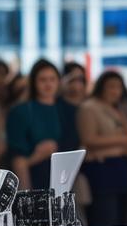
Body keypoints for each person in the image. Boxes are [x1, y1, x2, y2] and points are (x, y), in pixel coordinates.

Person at [5, 59, 80, 189]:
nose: (48, 84)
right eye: (43, 80)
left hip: (64, 177)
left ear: (59, 82)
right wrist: (36, 157)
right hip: (33, 175)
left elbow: (74, 144)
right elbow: (17, 156)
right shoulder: (20, 111)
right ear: (34, 82)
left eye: (52, 79)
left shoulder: (68, 110)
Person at [77, 71, 127, 226]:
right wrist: (121, 142)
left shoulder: (118, 108)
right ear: (101, 87)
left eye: (118, 87)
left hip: (120, 169)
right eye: (111, 86)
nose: (115, 91)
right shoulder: (89, 107)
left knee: (121, 220)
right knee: (105, 218)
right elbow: (88, 139)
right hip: (101, 169)